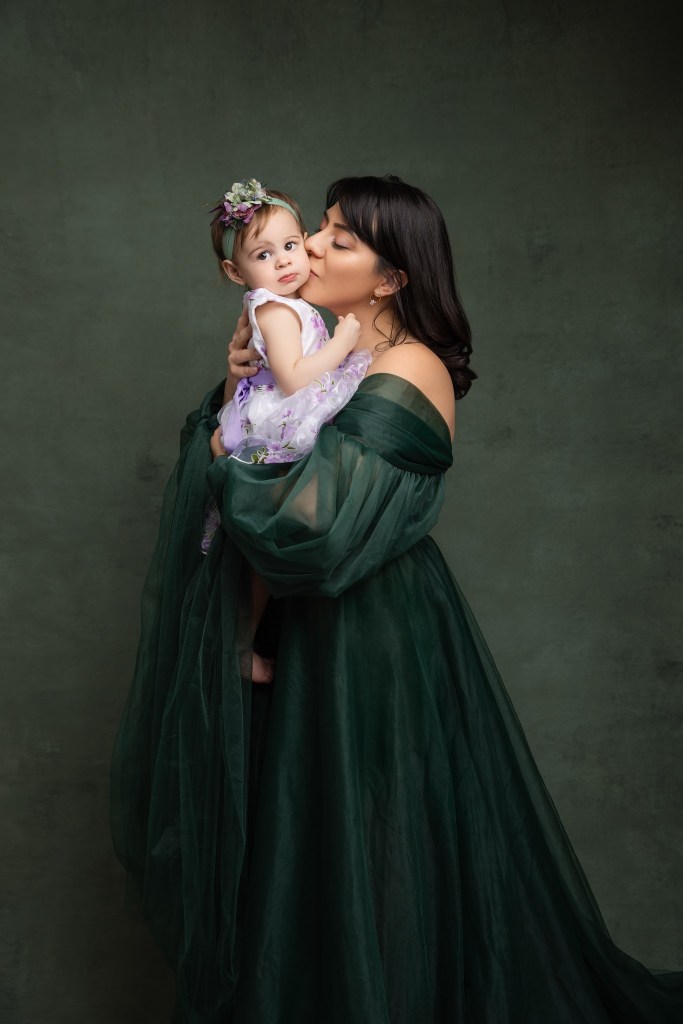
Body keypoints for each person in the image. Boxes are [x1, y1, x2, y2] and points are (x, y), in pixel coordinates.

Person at [111, 174, 683, 1023]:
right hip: (301, 628)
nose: (309, 248)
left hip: (368, 632)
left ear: (389, 280)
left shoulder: (409, 366)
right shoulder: (309, 346)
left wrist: (233, 458)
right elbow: (256, 454)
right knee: (299, 844)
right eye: (319, 228)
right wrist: (237, 390)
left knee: (372, 844)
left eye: (337, 240)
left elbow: (312, 525)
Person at [201, 178, 371, 683]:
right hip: (271, 425)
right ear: (236, 272)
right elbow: (295, 378)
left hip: (270, 414)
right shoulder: (274, 308)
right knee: (268, 540)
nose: (284, 262)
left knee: (265, 545)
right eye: (264, 254)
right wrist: (344, 343)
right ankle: (239, 645)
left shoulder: (285, 303)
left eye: (291, 245)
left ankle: (244, 639)